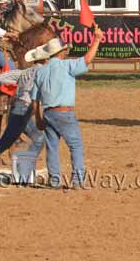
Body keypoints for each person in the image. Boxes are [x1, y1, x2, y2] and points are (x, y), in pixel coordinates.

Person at [31, 26, 103, 189]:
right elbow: (87, 59)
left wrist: (38, 118)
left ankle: (55, 180)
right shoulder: (67, 66)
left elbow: (35, 99)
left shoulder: (40, 72)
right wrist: (97, 40)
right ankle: (77, 180)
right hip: (65, 113)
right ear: (61, 52)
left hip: (48, 113)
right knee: (75, 145)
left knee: (52, 147)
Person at [0, 44, 51, 183]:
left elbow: (0, 78)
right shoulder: (44, 73)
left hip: (18, 109)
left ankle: (23, 167)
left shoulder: (24, 72)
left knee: (37, 138)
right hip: (23, 110)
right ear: (45, 60)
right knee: (9, 140)